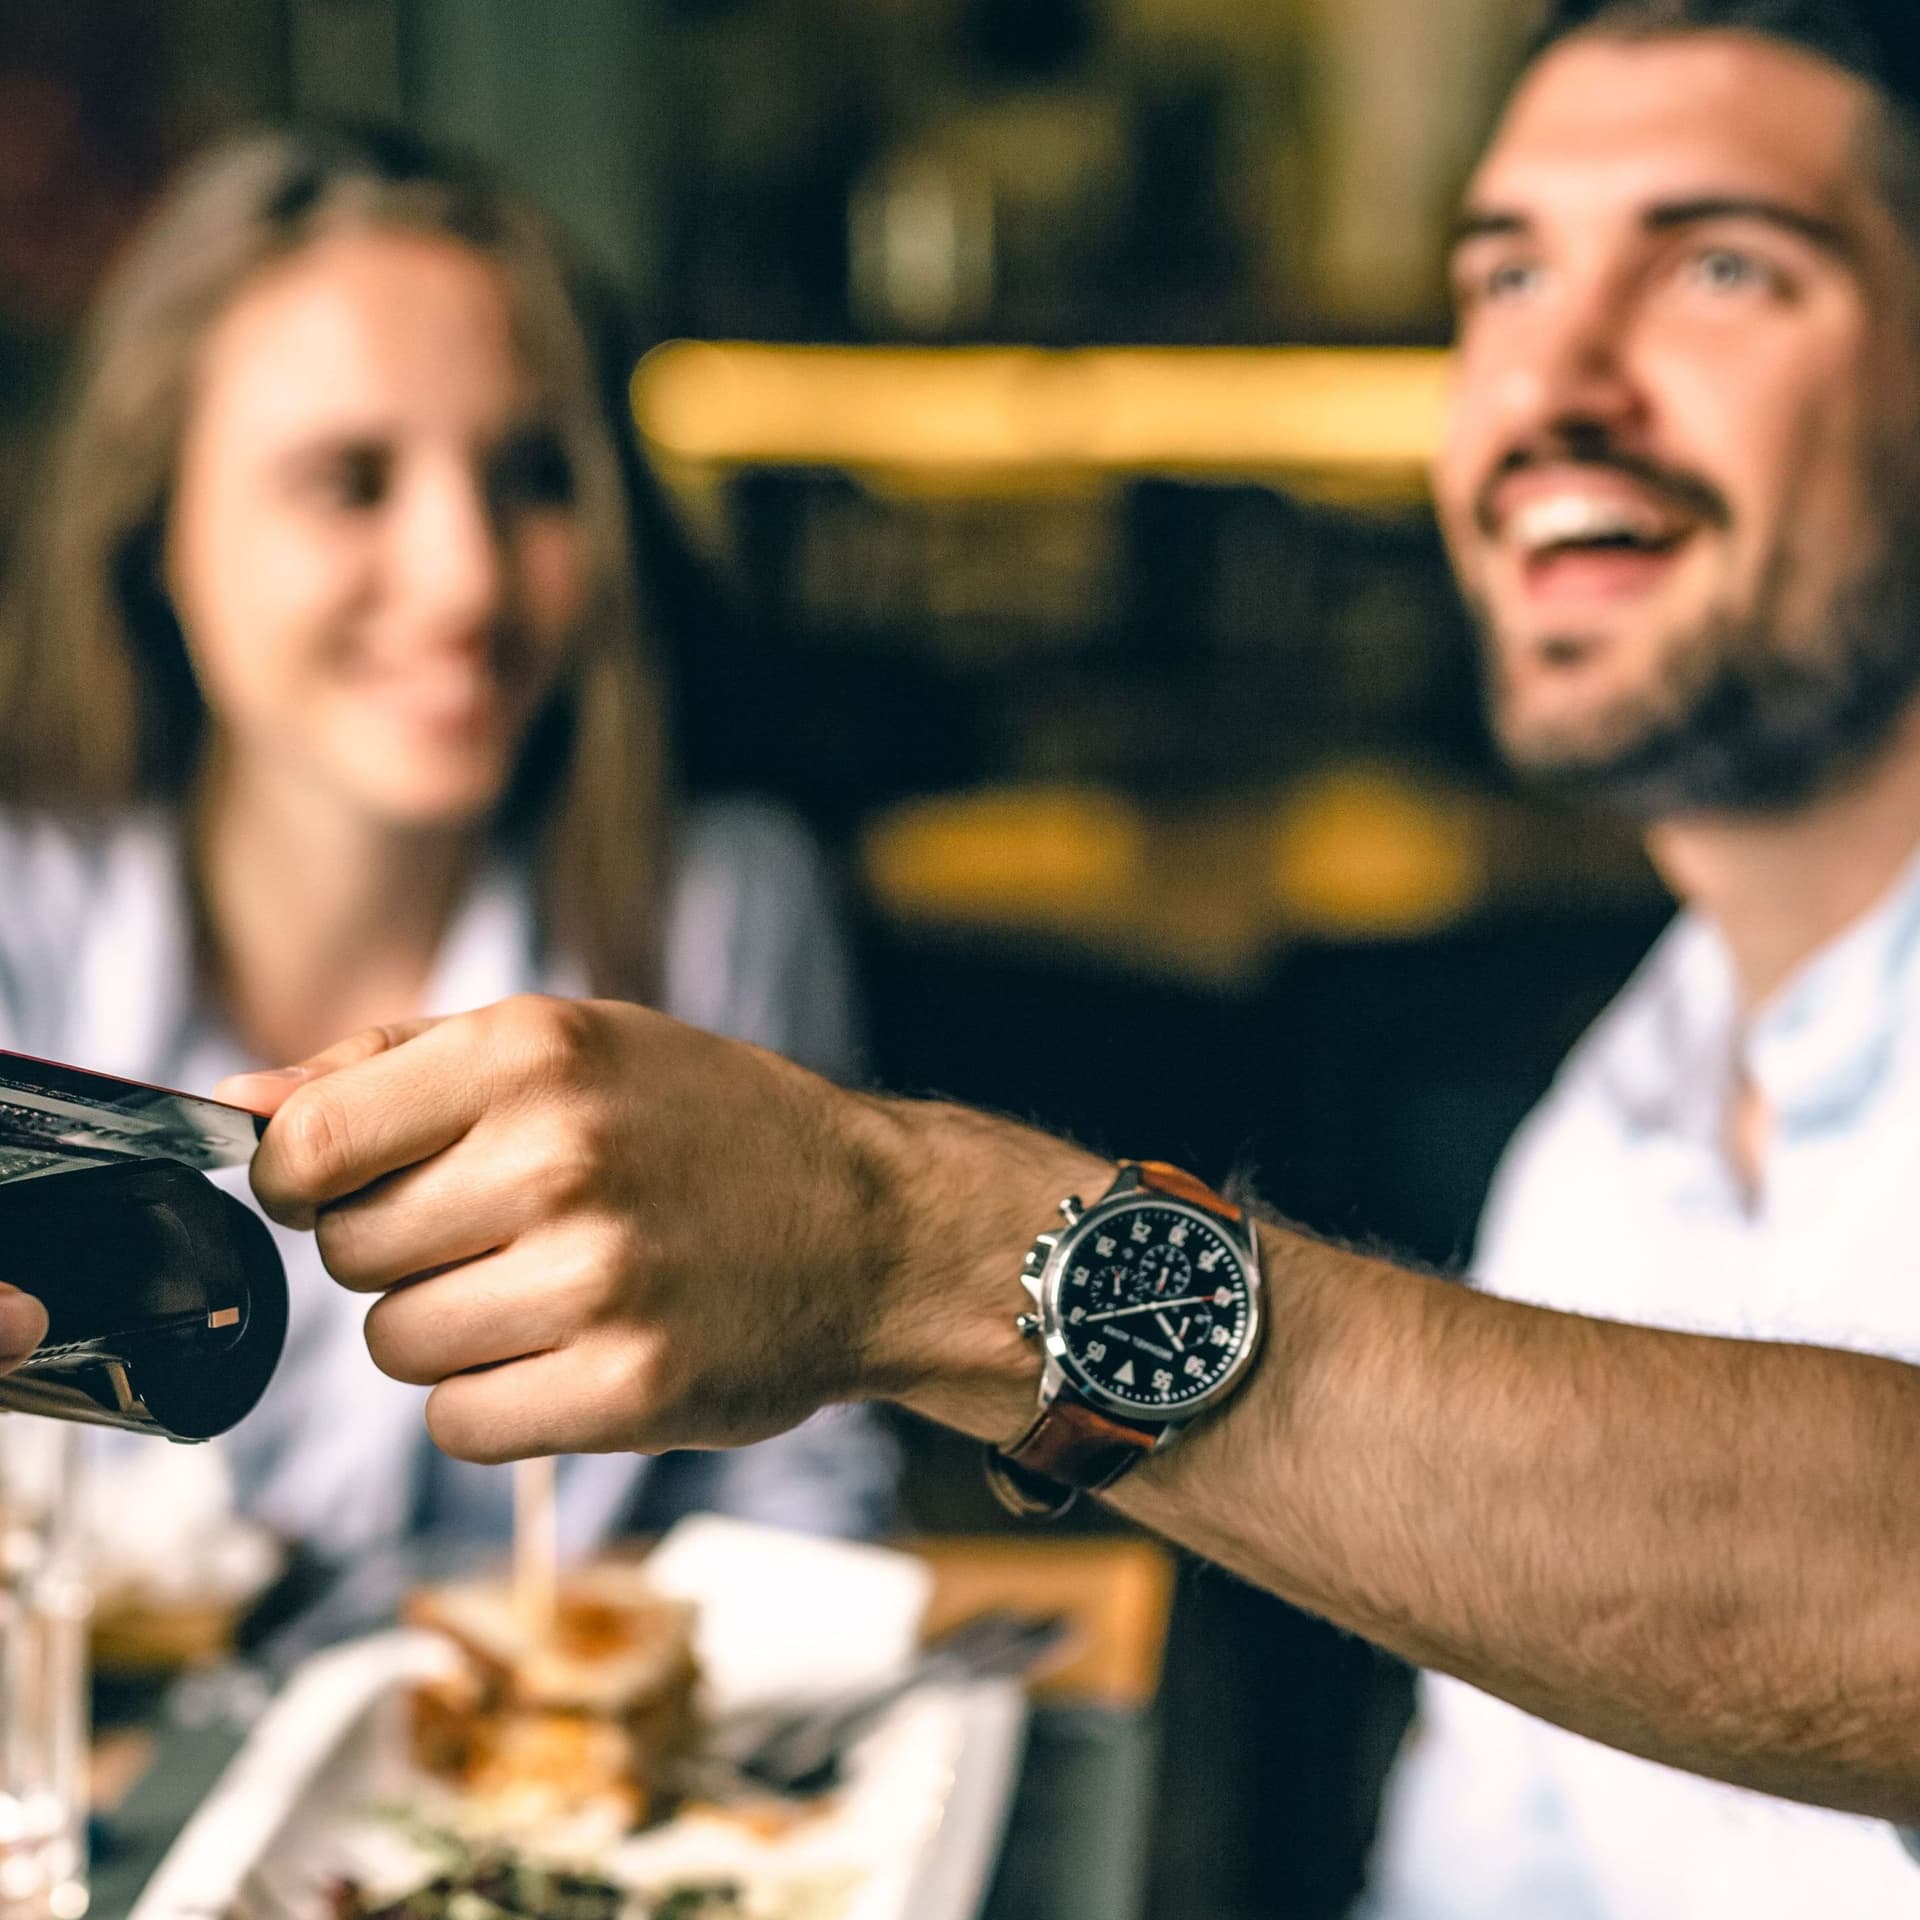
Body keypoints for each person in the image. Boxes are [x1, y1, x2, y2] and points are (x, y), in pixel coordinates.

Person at [12, 0, 1920, 1883]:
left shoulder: (702, 906)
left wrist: (901, 1236)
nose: (1549, 376)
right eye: (1499, 279)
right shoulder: (1611, 1136)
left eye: (1726, 269)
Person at [0, 124, 894, 1560]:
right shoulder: (18, 918)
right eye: (351, 481)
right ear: (151, 525)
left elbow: (801, 1505)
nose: (468, 575)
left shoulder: (719, 910)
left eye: (535, 474)